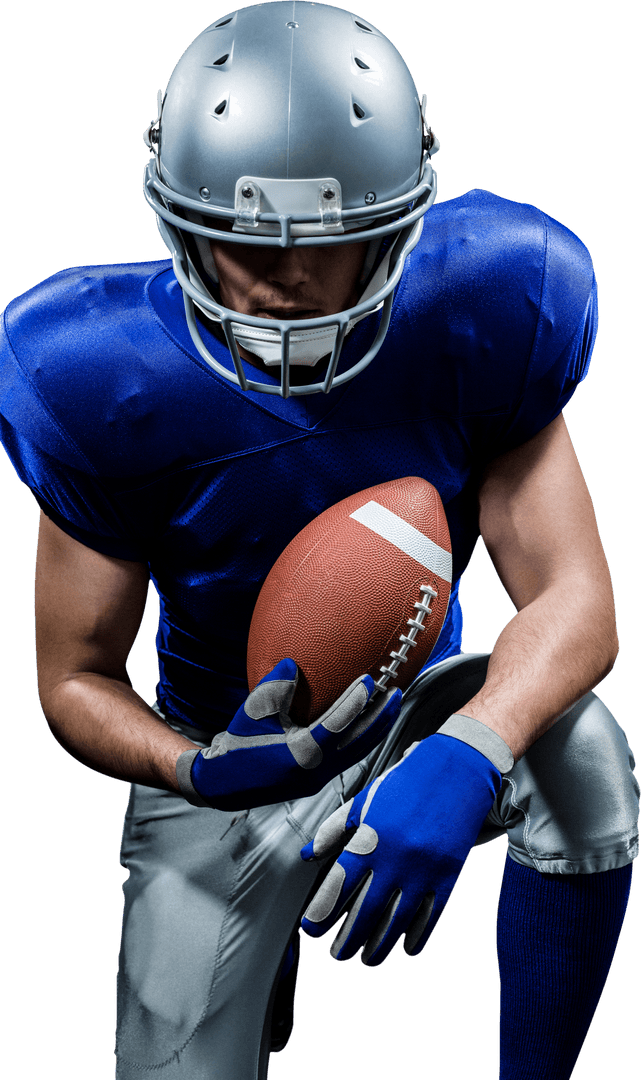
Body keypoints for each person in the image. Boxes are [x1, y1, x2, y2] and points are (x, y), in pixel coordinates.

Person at [0, 3, 637, 1078]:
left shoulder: (490, 302)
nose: (283, 280)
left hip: (418, 708)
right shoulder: (95, 375)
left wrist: (470, 749)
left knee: (584, 757)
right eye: (243, 237)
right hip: (225, 747)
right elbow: (72, 675)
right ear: (175, 215)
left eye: (329, 244)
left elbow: (575, 598)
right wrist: (196, 770)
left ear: (397, 227)